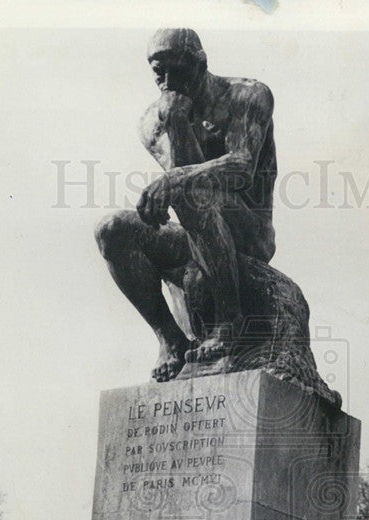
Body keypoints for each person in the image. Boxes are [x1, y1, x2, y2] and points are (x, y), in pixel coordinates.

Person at [95, 27, 277, 382]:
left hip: (250, 231)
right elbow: (180, 172)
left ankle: (229, 320)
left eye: (175, 69)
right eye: (158, 72)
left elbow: (241, 168)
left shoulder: (247, 95)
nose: (166, 80)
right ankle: (170, 338)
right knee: (112, 229)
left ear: (201, 64)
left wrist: (175, 179)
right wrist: (177, 120)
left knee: (192, 189)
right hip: (197, 232)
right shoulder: (153, 120)